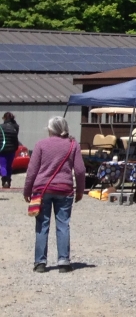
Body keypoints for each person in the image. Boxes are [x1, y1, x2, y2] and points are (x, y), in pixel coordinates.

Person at [23, 117, 85, 273]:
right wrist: (80, 190)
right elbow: (80, 170)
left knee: (42, 225)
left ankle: (40, 263)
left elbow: (32, 170)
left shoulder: (41, 144)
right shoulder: (73, 144)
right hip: (64, 189)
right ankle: (63, 261)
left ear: (50, 129)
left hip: (42, 189)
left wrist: (27, 190)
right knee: (63, 224)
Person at [0, 111, 20, 189]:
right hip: (12, 149)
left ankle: (4, 179)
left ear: (4, 118)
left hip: (2, 149)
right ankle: (8, 180)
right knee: (9, 166)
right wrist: (15, 147)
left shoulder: (1, 127)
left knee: (3, 165)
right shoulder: (15, 127)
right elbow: (16, 139)